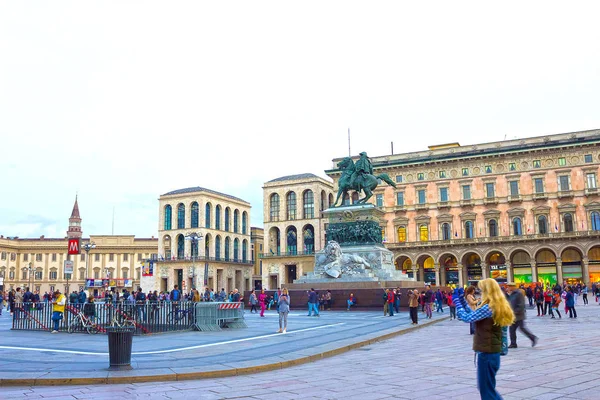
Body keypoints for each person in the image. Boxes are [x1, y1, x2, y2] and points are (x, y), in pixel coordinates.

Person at [454, 279, 515, 400]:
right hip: (491, 351)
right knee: (487, 388)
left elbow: (467, 318)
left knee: (486, 390)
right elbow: (475, 315)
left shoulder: (489, 307)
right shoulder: (496, 305)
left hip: (487, 352)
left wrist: (457, 303)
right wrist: (463, 302)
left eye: (481, 291)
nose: (480, 293)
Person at [506, 282, 538, 349]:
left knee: (522, 328)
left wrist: (515, 312)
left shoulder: (519, 293)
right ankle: (513, 343)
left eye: (509, 286)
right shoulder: (512, 294)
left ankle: (533, 338)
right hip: (514, 315)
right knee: (512, 329)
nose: (508, 288)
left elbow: (521, 305)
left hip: (518, 315)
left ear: (512, 287)